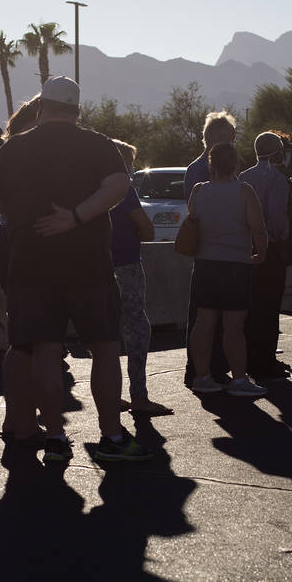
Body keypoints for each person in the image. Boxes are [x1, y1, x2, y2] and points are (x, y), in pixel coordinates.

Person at [0, 76, 152, 463]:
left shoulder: (15, 149)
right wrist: (76, 217)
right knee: (105, 348)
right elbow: (119, 185)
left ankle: (55, 438)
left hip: (31, 263)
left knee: (44, 349)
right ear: (77, 110)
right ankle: (112, 436)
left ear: (41, 107)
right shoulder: (97, 144)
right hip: (88, 262)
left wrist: (27, 203)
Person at [186, 143, 269, 397]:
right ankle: (240, 380)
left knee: (204, 323)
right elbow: (258, 228)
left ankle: (202, 376)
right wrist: (261, 252)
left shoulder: (199, 191)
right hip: (235, 265)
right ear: (235, 163)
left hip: (205, 264)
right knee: (233, 327)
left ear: (211, 164)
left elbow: (193, 221)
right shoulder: (244, 191)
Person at [238, 131, 292, 379]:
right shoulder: (278, 180)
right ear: (277, 152)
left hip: (247, 250)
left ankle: (249, 358)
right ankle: (266, 361)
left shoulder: (244, 176)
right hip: (271, 253)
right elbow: (278, 221)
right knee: (269, 308)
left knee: (252, 307)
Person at [0, 99, 41, 447]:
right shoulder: (20, 154)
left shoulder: (13, 152)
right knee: (26, 339)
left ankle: (18, 418)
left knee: (26, 337)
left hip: (10, 240)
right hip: (18, 242)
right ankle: (20, 422)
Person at [109, 139, 170, 416]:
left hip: (99, 268)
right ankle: (139, 396)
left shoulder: (90, 191)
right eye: (130, 163)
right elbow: (147, 231)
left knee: (108, 335)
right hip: (127, 267)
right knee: (137, 331)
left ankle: (111, 394)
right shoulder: (125, 191)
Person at [182, 112, 237, 384]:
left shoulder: (197, 167)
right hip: (211, 252)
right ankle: (202, 370)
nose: (233, 141)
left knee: (209, 318)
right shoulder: (203, 170)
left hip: (209, 251)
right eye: (229, 136)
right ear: (215, 138)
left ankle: (209, 369)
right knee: (207, 319)